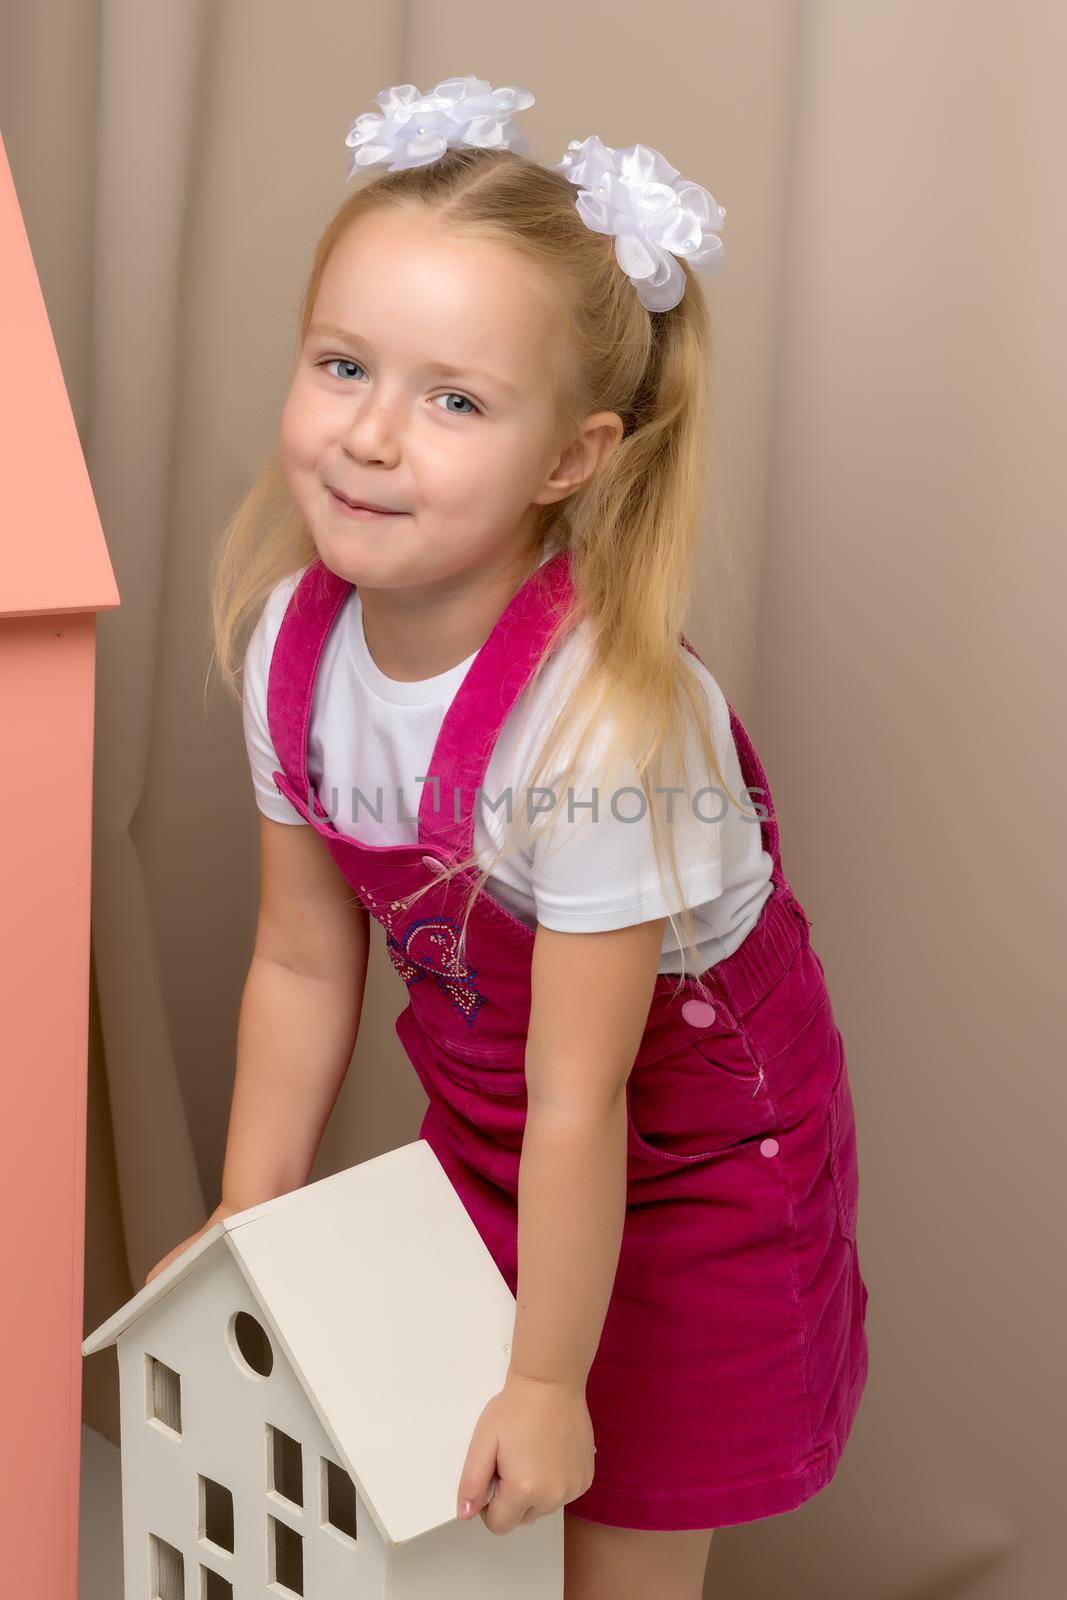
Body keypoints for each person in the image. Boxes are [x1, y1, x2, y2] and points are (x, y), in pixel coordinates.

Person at [148, 77, 870, 1600]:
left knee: (603, 1539)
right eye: (343, 365)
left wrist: (548, 1384)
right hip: (500, 1131)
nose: (371, 436)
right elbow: (299, 959)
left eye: (455, 399)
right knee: (454, 1533)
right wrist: (243, 1226)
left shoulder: (605, 725)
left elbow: (585, 1089)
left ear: (572, 458)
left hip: (682, 1164)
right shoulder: (296, 644)